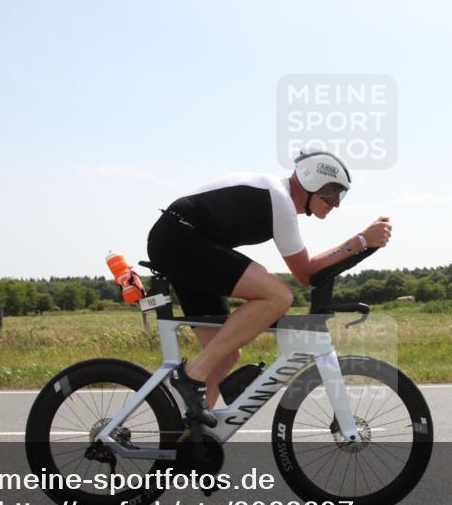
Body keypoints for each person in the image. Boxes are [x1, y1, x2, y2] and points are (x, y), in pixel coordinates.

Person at [146, 149, 392, 427]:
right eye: (332, 193)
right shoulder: (279, 199)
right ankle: (190, 376)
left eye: (341, 196)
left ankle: (187, 441)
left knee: (224, 357)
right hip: (179, 240)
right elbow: (305, 273)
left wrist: (362, 243)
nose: (336, 203)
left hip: (184, 242)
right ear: (311, 181)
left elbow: (308, 271)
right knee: (278, 296)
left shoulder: (278, 199)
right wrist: (361, 240)